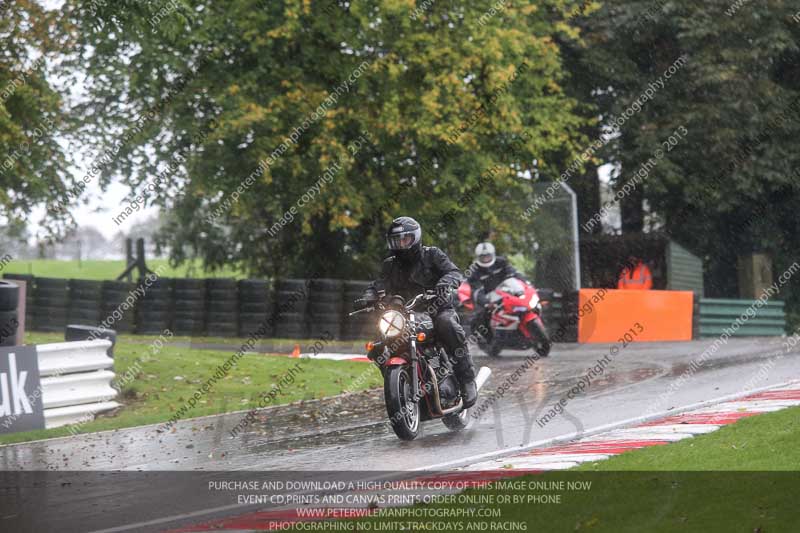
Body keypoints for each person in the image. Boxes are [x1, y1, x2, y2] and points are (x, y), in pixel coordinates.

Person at [361, 216, 478, 408]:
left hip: (436, 308)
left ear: (415, 238)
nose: (400, 244)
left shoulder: (432, 255)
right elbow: (378, 284)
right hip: (403, 314)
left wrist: (445, 283)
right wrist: (369, 295)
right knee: (378, 346)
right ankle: (400, 386)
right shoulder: (390, 264)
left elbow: (454, 272)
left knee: (447, 325)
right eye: (396, 240)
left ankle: (466, 379)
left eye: (404, 239)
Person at [467, 242, 527, 345]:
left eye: (488, 256)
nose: (486, 259)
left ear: (493, 254)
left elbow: (514, 273)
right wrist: (486, 303)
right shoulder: (474, 271)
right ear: (478, 257)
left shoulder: (501, 262)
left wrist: (525, 283)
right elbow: (476, 291)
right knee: (485, 313)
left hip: (507, 290)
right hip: (489, 296)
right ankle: (489, 338)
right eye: (483, 257)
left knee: (524, 299)